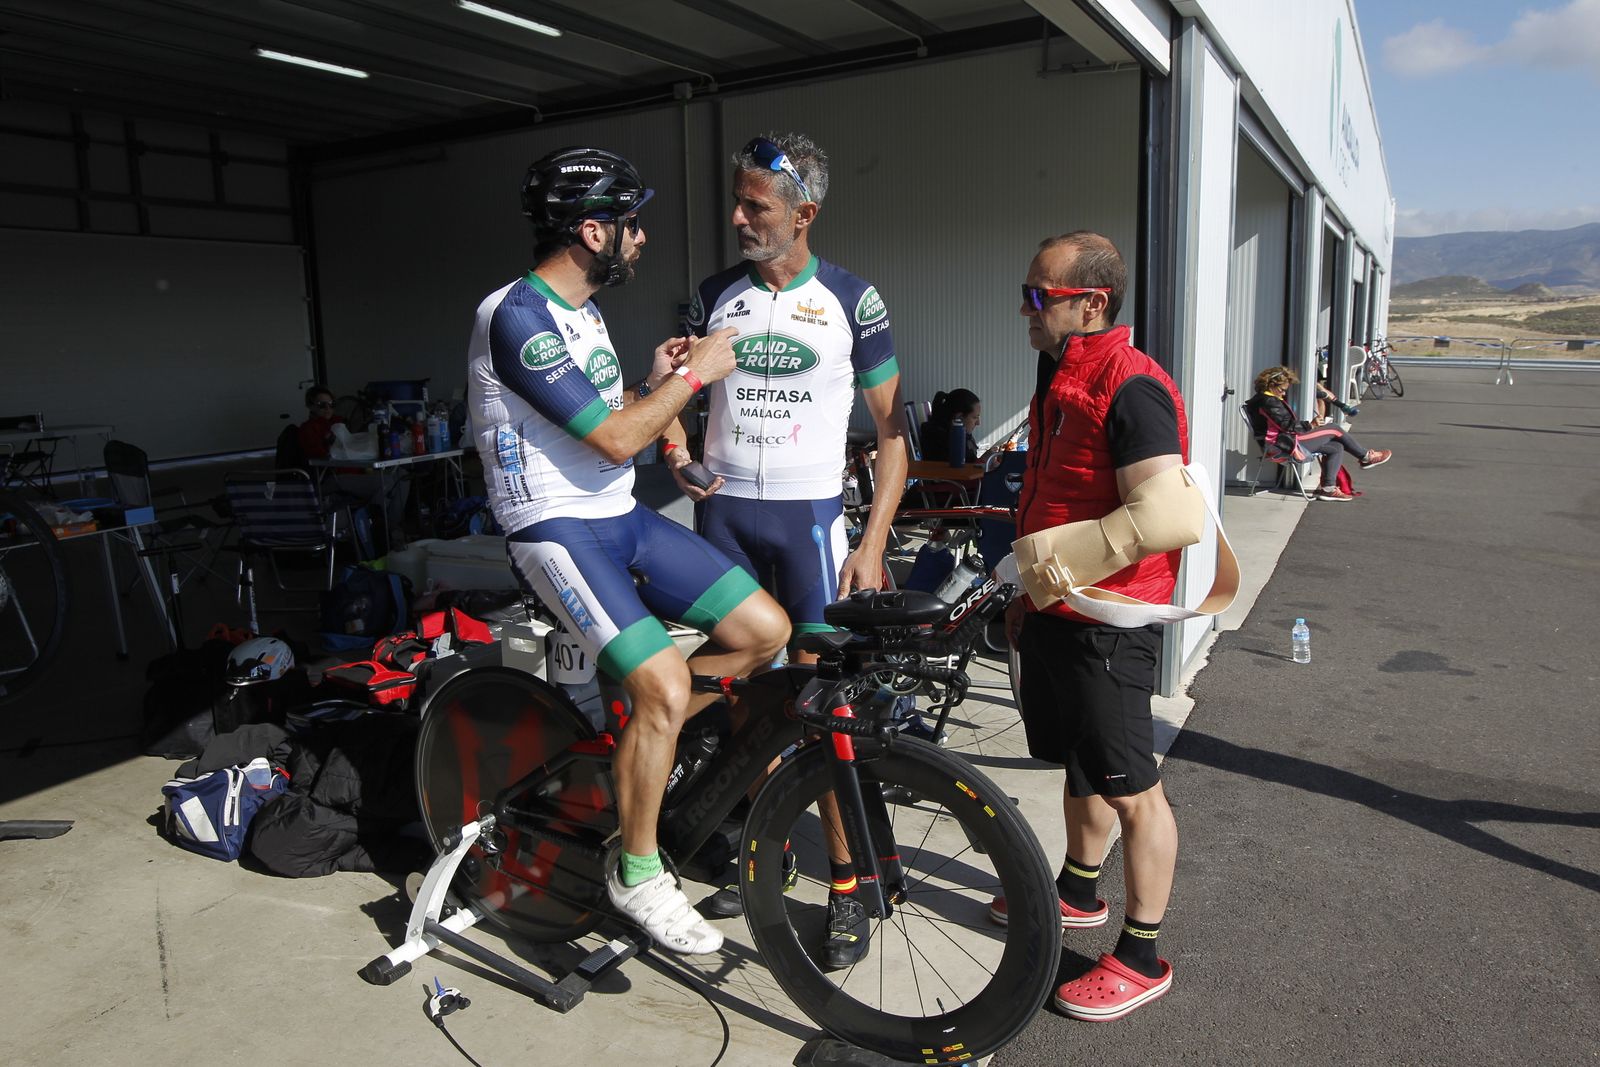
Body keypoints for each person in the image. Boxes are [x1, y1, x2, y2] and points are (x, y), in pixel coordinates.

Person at [466, 146, 791, 956]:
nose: (640, 238)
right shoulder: (517, 314)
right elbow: (614, 439)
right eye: (631, 223)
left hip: (619, 514)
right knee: (665, 679)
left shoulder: (586, 312)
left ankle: (653, 745)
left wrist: (652, 383)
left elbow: (610, 420)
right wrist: (696, 376)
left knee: (764, 630)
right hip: (553, 527)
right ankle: (637, 871)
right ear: (590, 230)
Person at [667, 133, 910, 968]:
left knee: (823, 707)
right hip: (728, 515)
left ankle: (849, 887)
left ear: (804, 215)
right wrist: (677, 453)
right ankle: (757, 848)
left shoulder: (852, 298)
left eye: (755, 207)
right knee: (745, 698)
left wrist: (872, 540)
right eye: (736, 201)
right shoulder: (713, 295)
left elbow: (892, 435)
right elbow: (673, 396)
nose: (737, 217)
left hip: (811, 523)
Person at [996, 231, 1187, 1022]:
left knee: (1133, 785)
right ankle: (1079, 889)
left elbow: (1167, 515)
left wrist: (1049, 568)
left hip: (1111, 617)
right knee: (1081, 764)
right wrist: (1030, 590)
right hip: (1058, 605)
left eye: (1040, 295)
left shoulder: (1132, 386)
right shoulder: (1057, 368)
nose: (1025, 307)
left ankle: (1143, 956)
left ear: (1091, 303)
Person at [1245, 366, 1392, 502]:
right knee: (1334, 428)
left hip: (1283, 441)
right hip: (1282, 444)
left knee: (1336, 447)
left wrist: (1309, 425)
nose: (1284, 393)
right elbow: (1287, 426)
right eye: (1282, 389)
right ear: (1271, 385)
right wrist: (1311, 425)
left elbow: (1284, 424)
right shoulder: (1269, 401)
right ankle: (1366, 457)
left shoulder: (1265, 399)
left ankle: (1328, 489)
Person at [290, 386, 408, 552]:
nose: (328, 409)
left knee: (402, 476)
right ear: (311, 406)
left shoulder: (340, 422)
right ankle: (374, 526)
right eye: (322, 405)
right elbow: (321, 455)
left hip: (355, 473)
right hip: (334, 477)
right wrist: (330, 441)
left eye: (331, 404)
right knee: (387, 482)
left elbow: (356, 445)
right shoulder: (308, 429)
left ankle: (386, 527)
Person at [917, 389, 982, 464]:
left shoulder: (952, 433)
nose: (978, 423)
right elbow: (962, 470)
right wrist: (983, 460)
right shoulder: (944, 440)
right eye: (975, 417)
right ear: (959, 418)